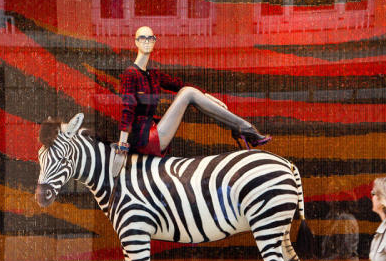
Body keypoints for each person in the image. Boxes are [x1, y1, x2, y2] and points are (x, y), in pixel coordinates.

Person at [112, 25, 270, 175]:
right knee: (187, 93)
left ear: (154, 41)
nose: (147, 41)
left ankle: (242, 128)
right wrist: (122, 147)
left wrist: (206, 96)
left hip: (153, 132)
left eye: (150, 38)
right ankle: (245, 127)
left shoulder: (153, 74)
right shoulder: (130, 74)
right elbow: (128, 109)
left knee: (187, 90)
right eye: (142, 38)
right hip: (142, 139)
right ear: (136, 42)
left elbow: (178, 84)